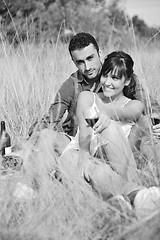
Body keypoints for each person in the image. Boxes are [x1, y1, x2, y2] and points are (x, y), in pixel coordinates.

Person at [58, 51, 160, 218]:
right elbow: (84, 131)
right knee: (80, 162)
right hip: (82, 157)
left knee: (109, 127)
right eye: (105, 76)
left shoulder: (135, 105)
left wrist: (102, 112)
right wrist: (84, 155)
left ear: (127, 81)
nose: (107, 83)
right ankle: (138, 196)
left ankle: (132, 198)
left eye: (115, 78)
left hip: (119, 166)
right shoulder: (87, 97)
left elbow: (124, 114)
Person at [29, 32, 160, 156]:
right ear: (73, 61)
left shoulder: (117, 74)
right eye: (80, 62)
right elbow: (52, 117)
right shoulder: (71, 85)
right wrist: (34, 135)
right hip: (77, 140)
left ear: (99, 53)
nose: (87, 67)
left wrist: (156, 122)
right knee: (45, 136)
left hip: (116, 140)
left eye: (90, 58)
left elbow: (150, 105)